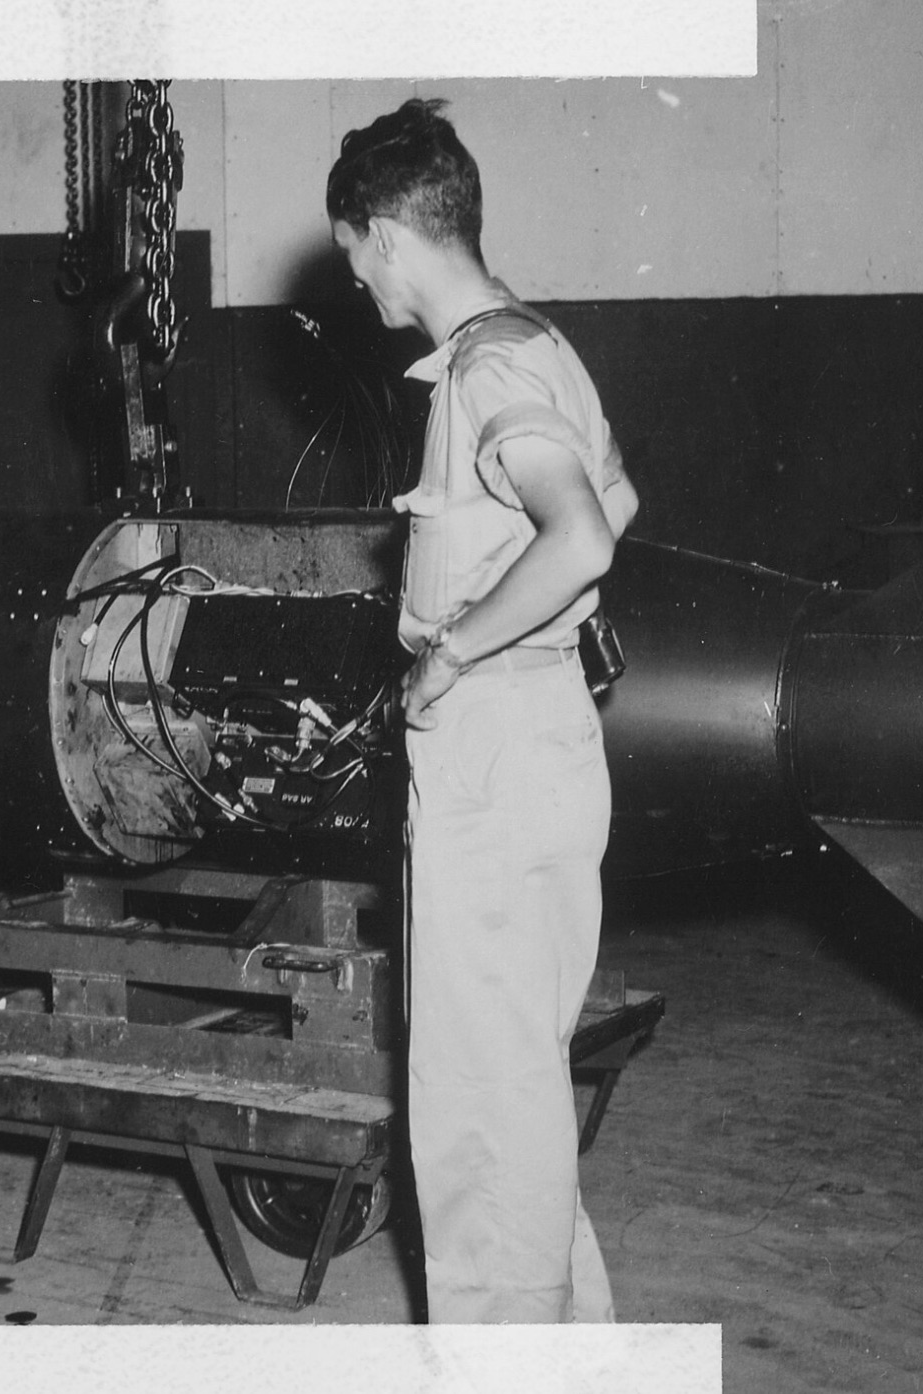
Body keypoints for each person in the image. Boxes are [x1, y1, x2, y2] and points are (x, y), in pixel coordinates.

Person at [326, 99, 640, 1323]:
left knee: (474, 1101)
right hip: (544, 730)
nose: (352, 275)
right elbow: (620, 500)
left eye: (352, 247)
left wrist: (452, 650)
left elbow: (581, 533)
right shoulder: (539, 344)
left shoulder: (488, 367)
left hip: (495, 752)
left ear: (390, 233)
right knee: (515, 1083)